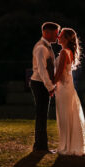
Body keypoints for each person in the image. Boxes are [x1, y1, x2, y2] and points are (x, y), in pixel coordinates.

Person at [53, 27, 85, 155]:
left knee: (64, 117)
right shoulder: (69, 52)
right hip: (67, 88)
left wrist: (50, 84)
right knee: (67, 116)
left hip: (63, 88)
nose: (58, 37)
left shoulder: (64, 52)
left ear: (66, 39)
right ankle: (66, 144)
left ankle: (66, 146)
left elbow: (59, 73)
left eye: (61, 35)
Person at [30, 21, 59, 152]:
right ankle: (40, 146)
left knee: (42, 115)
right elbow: (42, 70)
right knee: (41, 115)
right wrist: (50, 87)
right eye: (55, 33)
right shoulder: (41, 48)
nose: (57, 36)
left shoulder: (46, 46)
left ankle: (40, 145)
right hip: (39, 83)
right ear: (46, 33)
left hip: (41, 83)